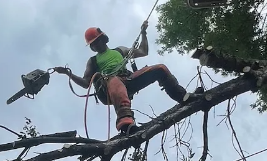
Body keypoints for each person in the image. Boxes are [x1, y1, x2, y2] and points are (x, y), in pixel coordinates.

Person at [53, 23, 192, 135]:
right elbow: (85, 83)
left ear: (103, 39)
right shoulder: (93, 61)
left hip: (128, 79)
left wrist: (143, 33)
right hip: (108, 87)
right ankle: (125, 123)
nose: (95, 45)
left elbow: (143, 51)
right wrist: (68, 73)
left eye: (97, 41)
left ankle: (182, 96)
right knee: (113, 80)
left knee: (160, 69)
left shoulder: (120, 51)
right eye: (93, 44)